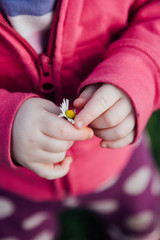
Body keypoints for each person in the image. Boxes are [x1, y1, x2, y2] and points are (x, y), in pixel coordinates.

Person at [0, 0, 160, 239]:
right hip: (12, 184)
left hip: (117, 162)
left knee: (142, 220)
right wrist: (5, 119)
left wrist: (139, 72)